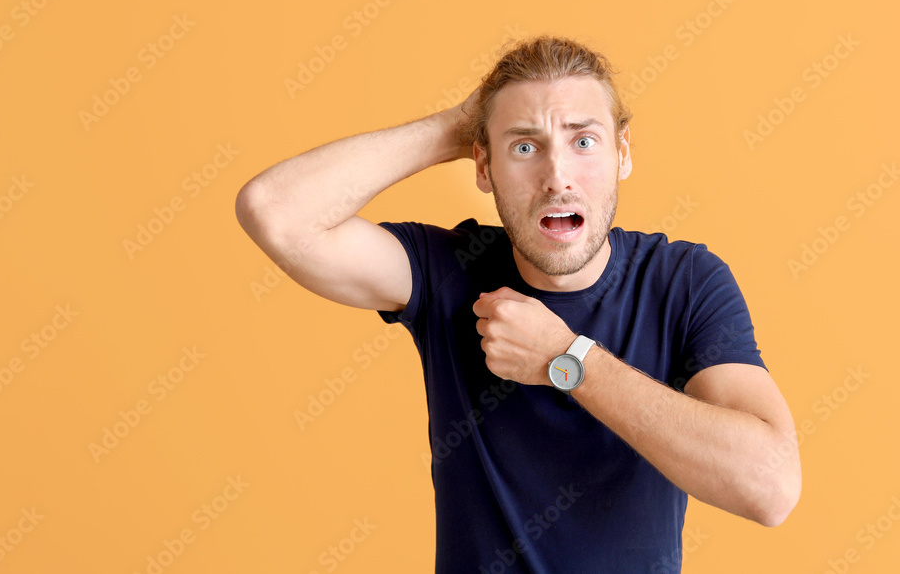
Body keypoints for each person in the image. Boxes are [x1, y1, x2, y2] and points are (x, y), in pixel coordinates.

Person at [236, 36, 801, 572]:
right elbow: (274, 211)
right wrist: (454, 127)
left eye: (584, 141)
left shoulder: (683, 280)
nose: (557, 176)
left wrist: (568, 359)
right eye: (524, 146)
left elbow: (770, 488)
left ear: (623, 153)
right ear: (483, 167)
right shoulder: (446, 270)